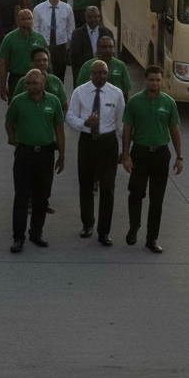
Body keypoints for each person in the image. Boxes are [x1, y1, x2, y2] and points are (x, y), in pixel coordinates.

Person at [122, 66, 183, 253]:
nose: (155, 83)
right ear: (145, 80)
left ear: (162, 80)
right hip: (140, 153)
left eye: (158, 80)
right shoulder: (134, 102)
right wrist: (126, 155)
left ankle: (152, 238)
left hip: (160, 155)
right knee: (136, 192)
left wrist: (179, 156)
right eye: (151, 80)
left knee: (157, 199)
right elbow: (127, 130)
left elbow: (174, 130)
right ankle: (134, 226)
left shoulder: (169, 102)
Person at [5, 69, 65, 252]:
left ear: (43, 83)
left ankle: (36, 232)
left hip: (46, 155)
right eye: (29, 83)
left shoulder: (53, 102)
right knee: (21, 197)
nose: (32, 86)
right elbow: (9, 122)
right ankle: (18, 237)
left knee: (42, 196)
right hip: (24, 154)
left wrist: (62, 155)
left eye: (36, 83)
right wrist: (13, 138)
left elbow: (59, 130)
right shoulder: (18, 101)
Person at [66, 60, 125, 244]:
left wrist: (123, 150)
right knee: (86, 185)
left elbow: (121, 124)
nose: (100, 77)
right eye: (97, 74)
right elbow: (70, 116)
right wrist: (84, 123)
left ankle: (104, 231)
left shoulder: (116, 93)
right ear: (90, 74)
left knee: (107, 188)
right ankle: (87, 223)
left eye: (104, 74)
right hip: (87, 142)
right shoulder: (80, 92)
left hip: (108, 144)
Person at [0, 9, 47, 102]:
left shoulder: (39, 38)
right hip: (16, 79)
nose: (27, 21)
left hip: (37, 78)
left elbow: (47, 61)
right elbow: (3, 63)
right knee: (16, 107)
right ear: (18, 21)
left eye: (29, 19)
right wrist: (2, 86)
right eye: (23, 19)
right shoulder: (9, 39)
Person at [33, 0, 74, 81]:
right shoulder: (38, 9)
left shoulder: (67, 8)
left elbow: (71, 28)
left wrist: (69, 45)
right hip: (44, 46)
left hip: (61, 46)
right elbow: (35, 29)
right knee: (43, 76)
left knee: (59, 77)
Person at [11, 46, 68, 113]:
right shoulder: (23, 82)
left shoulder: (56, 81)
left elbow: (64, 106)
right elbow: (14, 106)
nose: (42, 63)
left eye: (45, 60)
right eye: (38, 61)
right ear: (32, 62)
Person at [78, 35, 132, 99]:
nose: (107, 50)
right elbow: (79, 90)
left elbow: (126, 91)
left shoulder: (121, 66)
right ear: (98, 49)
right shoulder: (87, 66)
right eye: (104, 47)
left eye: (110, 47)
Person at [70, 9, 113, 87]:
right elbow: (75, 59)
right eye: (90, 17)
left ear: (100, 18)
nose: (93, 19)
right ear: (86, 18)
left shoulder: (107, 33)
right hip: (86, 72)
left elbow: (111, 54)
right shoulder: (77, 34)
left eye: (96, 17)